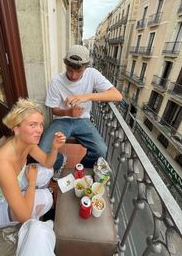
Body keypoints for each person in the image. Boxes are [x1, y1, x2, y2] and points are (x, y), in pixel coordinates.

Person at [0, 98, 66, 230]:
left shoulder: (27, 142)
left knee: (47, 171)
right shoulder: (3, 164)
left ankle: (25, 198)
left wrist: (55, 147)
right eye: (33, 125)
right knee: (47, 198)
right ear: (16, 129)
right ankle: (28, 200)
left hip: (6, 190)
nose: (39, 130)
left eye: (40, 124)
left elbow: (47, 162)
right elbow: (24, 216)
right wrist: (31, 183)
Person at [39, 44, 122, 181]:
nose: (73, 75)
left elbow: (117, 96)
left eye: (79, 71)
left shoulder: (92, 74)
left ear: (86, 67)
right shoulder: (56, 82)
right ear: (65, 65)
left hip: (83, 120)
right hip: (62, 120)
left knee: (101, 150)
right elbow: (54, 110)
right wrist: (69, 112)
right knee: (42, 150)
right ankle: (60, 161)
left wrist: (87, 96)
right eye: (70, 70)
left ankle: (81, 168)